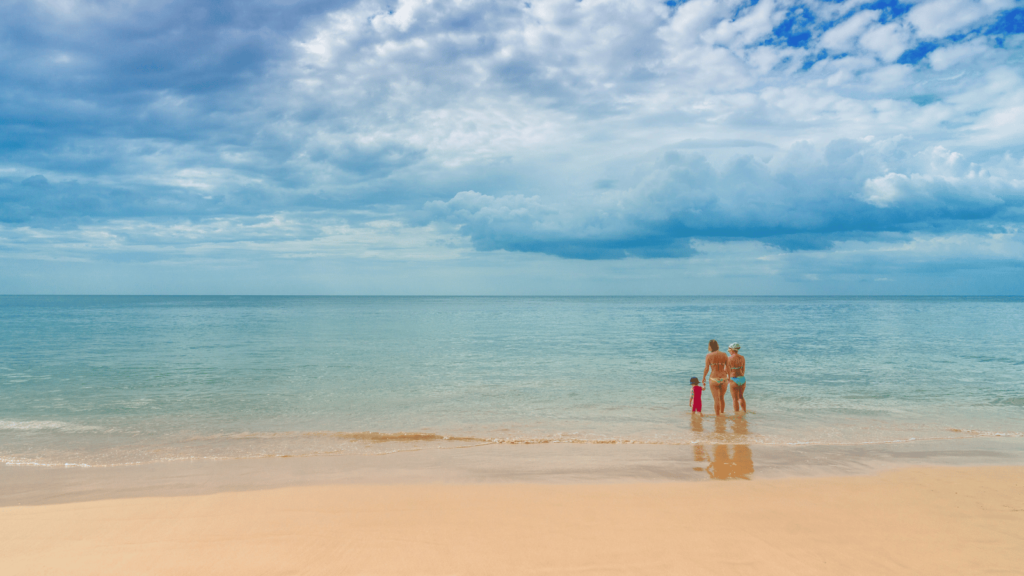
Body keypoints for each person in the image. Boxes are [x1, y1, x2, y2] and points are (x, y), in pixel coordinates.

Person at [703, 339, 730, 416]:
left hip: (714, 379)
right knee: (721, 398)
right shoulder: (724, 354)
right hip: (724, 378)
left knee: (716, 399)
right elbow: (728, 367)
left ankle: (718, 417)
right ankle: (722, 414)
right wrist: (730, 377)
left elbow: (706, 368)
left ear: (710, 347)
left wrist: (703, 377)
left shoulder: (708, 356)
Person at [727, 342, 747, 413]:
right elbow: (743, 369)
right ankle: (744, 411)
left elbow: (726, 370)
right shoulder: (742, 357)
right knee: (741, 396)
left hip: (734, 378)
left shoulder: (729, 359)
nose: (728, 351)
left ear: (732, 349)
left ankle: (736, 414)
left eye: (729, 349)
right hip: (742, 378)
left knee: (735, 399)